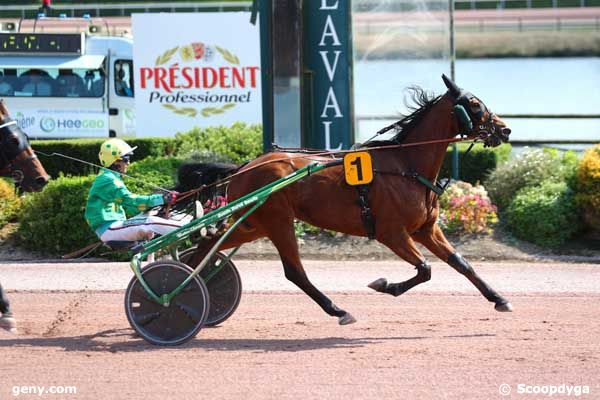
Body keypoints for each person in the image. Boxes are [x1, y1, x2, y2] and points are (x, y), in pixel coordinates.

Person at [84, 139, 191, 243]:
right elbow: (130, 200)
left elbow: (131, 208)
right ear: (115, 161)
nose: (129, 163)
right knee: (149, 222)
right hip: (109, 229)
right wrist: (162, 198)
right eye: (126, 159)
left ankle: (191, 220)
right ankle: (191, 228)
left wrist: (156, 206)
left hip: (115, 226)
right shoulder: (108, 180)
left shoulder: (112, 177)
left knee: (154, 214)